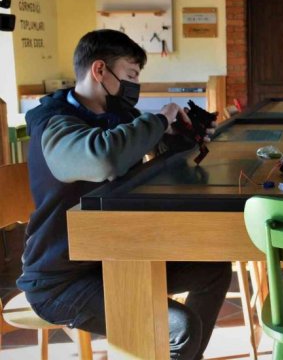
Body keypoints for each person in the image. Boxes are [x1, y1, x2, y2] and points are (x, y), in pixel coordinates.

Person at [18, 29, 232, 360]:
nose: (135, 85)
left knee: (214, 270)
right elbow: (103, 158)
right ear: (99, 69)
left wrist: (186, 135)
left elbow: (154, 157)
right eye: (130, 76)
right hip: (62, 279)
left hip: (116, 255)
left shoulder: (117, 117)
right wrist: (159, 120)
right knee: (180, 328)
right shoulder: (55, 124)